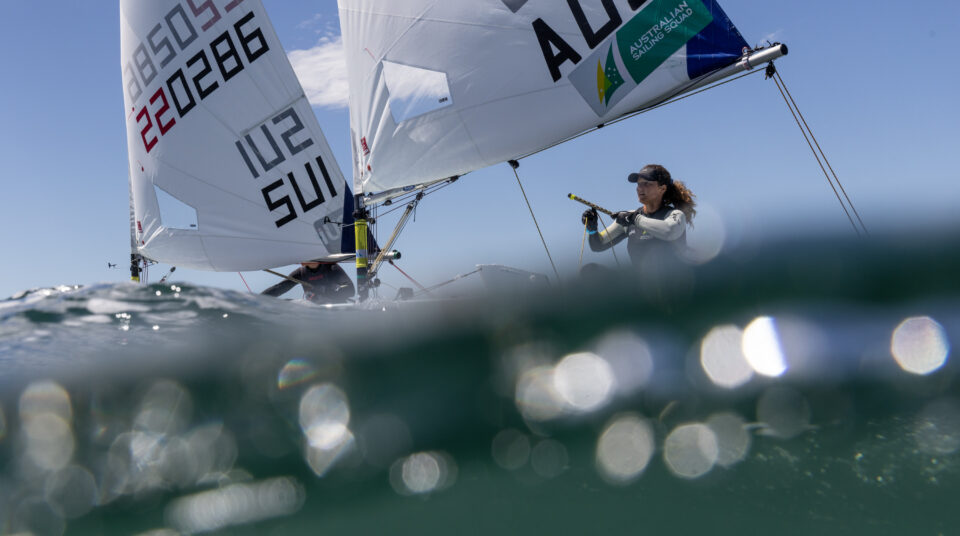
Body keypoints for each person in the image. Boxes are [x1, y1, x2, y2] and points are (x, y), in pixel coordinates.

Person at [581, 164, 696, 270]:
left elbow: (669, 231)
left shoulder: (675, 214)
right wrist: (592, 229)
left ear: (662, 189)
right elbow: (598, 245)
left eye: (647, 184)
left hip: (675, 282)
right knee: (590, 270)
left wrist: (634, 219)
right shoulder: (629, 216)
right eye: (639, 184)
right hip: (642, 284)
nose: (640, 188)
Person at [261, 262, 355, 304]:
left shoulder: (331, 267)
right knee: (286, 302)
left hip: (335, 307)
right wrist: (259, 299)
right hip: (314, 310)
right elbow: (280, 288)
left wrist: (326, 290)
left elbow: (350, 290)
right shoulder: (301, 272)